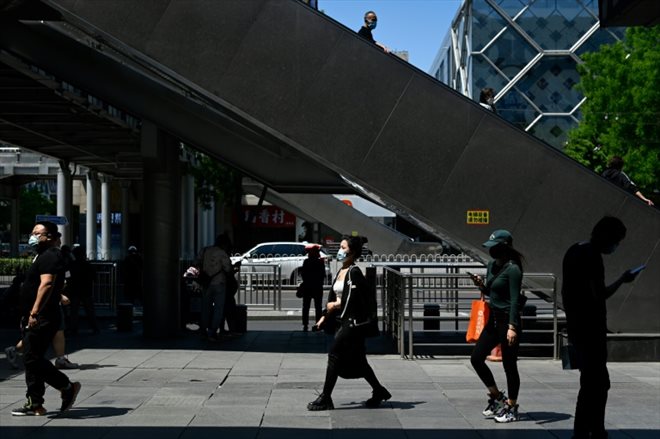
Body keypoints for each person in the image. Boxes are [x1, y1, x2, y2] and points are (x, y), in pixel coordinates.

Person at [562, 216, 641, 439]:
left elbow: (571, 293)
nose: (616, 245)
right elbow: (599, 295)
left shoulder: (575, 250)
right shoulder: (592, 256)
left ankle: (592, 429)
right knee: (594, 384)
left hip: (578, 328)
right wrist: (622, 280)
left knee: (595, 382)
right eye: (617, 240)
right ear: (608, 237)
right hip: (591, 331)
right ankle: (590, 431)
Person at [307, 235, 390, 411]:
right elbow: (334, 297)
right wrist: (323, 317)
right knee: (359, 361)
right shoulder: (341, 270)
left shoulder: (354, 272)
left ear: (352, 252)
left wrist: (335, 304)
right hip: (340, 320)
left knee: (334, 355)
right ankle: (379, 390)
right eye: (341, 247)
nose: (340, 251)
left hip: (351, 324)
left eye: (343, 248)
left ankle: (325, 397)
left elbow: (355, 300)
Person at [11, 221, 81, 416]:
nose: (32, 236)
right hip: (36, 315)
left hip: (41, 317)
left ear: (49, 236)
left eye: (37, 233)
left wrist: (34, 312)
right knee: (32, 358)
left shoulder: (50, 256)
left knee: (31, 358)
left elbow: (47, 284)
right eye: (32, 232)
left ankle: (67, 387)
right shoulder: (43, 256)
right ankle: (35, 403)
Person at [468, 229, 523, 423]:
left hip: (508, 320)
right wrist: (480, 285)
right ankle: (497, 397)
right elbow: (491, 291)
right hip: (493, 319)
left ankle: (511, 406)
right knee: (476, 358)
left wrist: (513, 327)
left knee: (509, 366)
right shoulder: (491, 265)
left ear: (504, 247)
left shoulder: (513, 268)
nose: (491, 251)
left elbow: (515, 300)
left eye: (495, 247)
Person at [196, 234, 232, 341]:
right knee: (218, 309)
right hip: (219, 283)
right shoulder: (222, 253)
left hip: (206, 283)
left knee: (205, 307)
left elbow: (196, 262)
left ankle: (203, 330)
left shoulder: (205, 250)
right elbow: (228, 268)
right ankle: (212, 332)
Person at [67, 245, 99, 335]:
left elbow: (68, 277)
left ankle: (73, 329)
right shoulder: (88, 265)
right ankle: (95, 327)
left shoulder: (72, 265)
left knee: (74, 311)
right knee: (90, 310)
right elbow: (94, 277)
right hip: (86, 290)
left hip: (75, 291)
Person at [300, 244, 326, 332]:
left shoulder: (306, 262)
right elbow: (323, 275)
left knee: (306, 306)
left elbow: (303, 274)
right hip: (318, 287)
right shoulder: (320, 262)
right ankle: (317, 324)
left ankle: (305, 324)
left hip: (307, 287)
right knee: (318, 307)